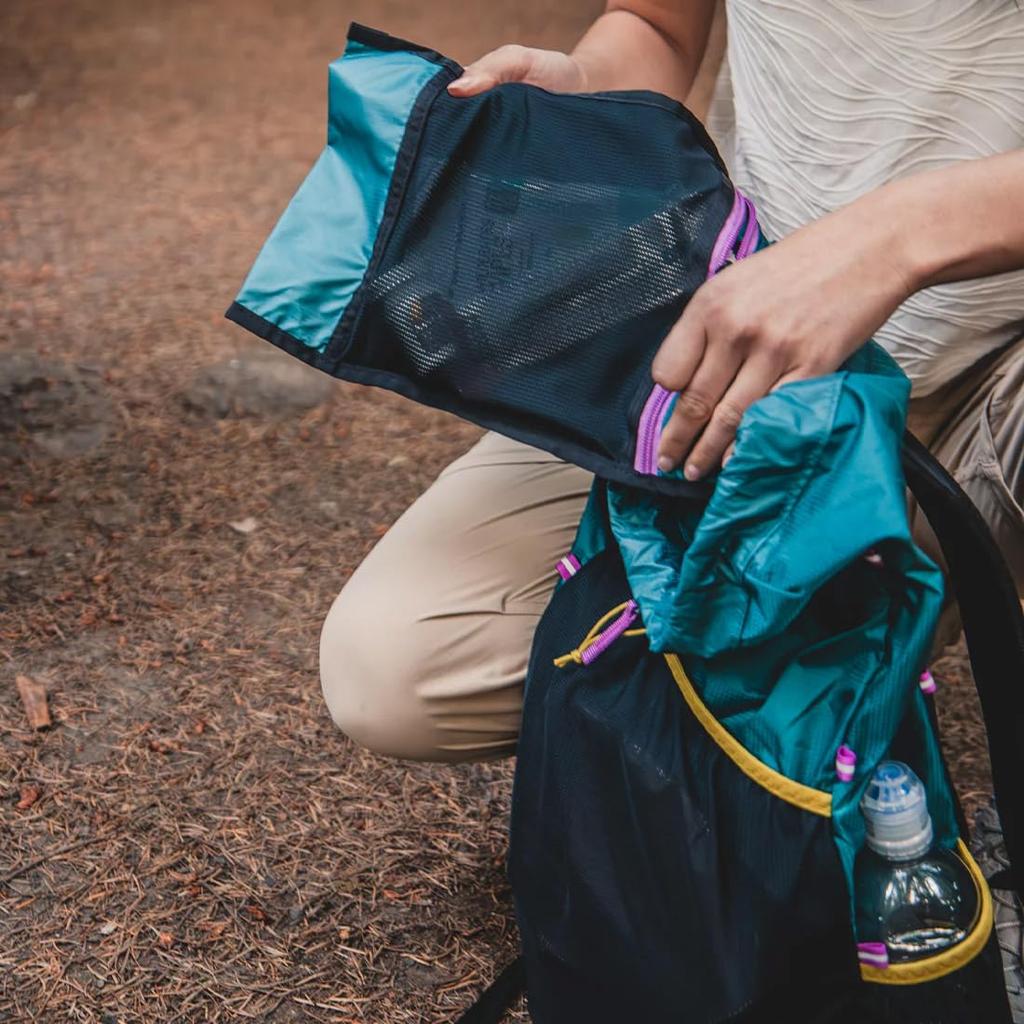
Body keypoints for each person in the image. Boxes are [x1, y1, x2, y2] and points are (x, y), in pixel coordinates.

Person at [320, 0, 1024, 762]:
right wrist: (586, 85)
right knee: (396, 667)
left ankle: (873, 606)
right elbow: (656, 24)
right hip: (728, 362)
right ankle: (820, 632)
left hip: (989, 396)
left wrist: (885, 242)